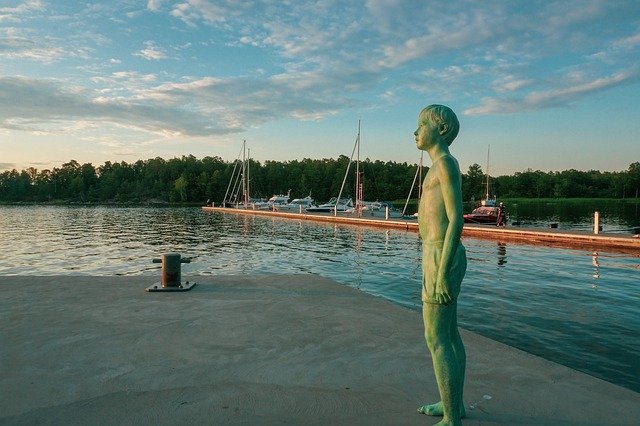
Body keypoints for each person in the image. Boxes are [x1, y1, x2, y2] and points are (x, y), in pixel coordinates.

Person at [414, 105, 467, 426]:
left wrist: (443, 270)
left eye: (421, 125)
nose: (416, 132)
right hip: (434, 253)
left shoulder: (446, 164)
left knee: (436, 338)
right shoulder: (436, 167)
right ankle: (454, 405)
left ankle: (451, 418)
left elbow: (457, 219)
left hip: (440, 254)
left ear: (441, 129)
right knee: (450, 335)